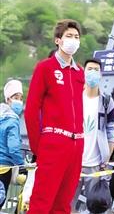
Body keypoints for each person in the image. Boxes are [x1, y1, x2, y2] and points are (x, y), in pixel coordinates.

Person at [25, 19, 85, 213]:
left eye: (76, 37)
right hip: (53, 142)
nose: (73, 40)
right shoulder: (45, 68)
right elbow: (31, 109)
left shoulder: (80, 73)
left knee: (63, 204)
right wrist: (38, 146)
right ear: (58, 40)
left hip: (76, 144)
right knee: (42, 202)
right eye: (69, 36)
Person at [72, 58, 114, 213]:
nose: (93, 73)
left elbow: (111, 131)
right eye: (89, 69)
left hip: (96, 165)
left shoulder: (106, 101)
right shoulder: (75, 97)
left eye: (96, 70)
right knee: (67, 205)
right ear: (84, 73)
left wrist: (106, 158)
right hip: (74, 163)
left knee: (96, 207)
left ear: (101, 74)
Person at [0, 80, 24, 209]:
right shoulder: (12, 120)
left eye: (21, 98)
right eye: (16, 97)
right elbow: (13, 148)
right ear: (8, 99)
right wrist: (22, 165)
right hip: (4, 167)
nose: (19, 101)